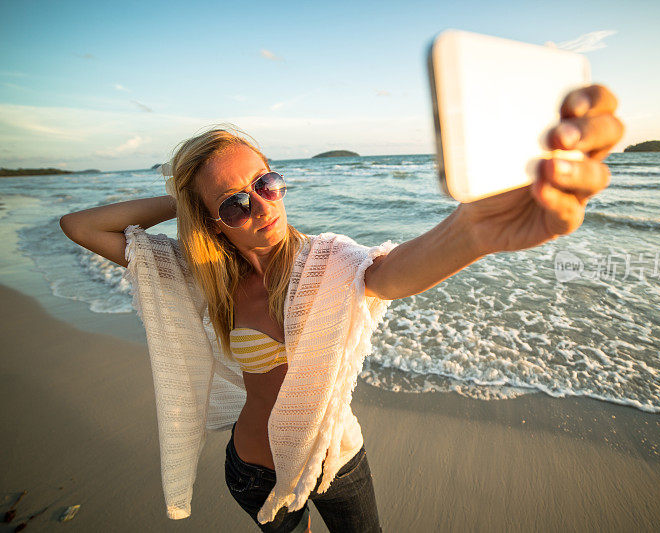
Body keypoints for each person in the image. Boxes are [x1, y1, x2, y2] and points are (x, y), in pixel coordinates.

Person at [59, 84, 623, 533]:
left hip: (336, 461)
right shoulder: (198, 276)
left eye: (266, 182)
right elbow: (80, 226)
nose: (260, 205)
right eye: (234, 201)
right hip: (254, 472)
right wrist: (187, 203)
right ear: (211, 221)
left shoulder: (325, 262)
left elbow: (388, 274)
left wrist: (473, 232)